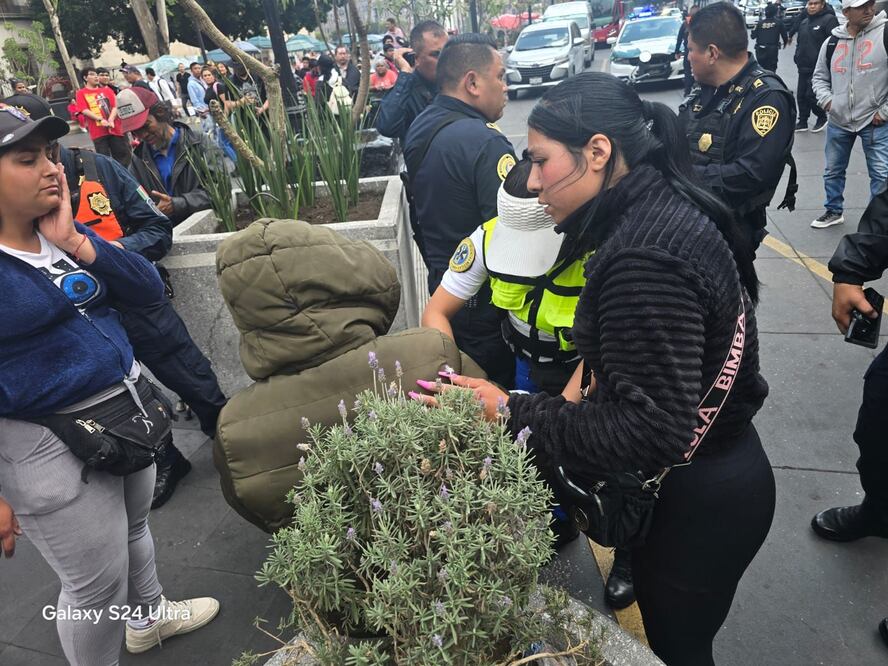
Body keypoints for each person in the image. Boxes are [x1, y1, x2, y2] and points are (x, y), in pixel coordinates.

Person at [413, 71, 775, 666]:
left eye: (540, 161)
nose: (531, 182)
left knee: (679, 648)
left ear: (599, 151)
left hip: (697, 499)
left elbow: (650, 432)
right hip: (719, 476)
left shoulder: (641, 259)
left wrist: (506, 410)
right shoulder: (662, 207)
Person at [0, 103, 220, 665]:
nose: (52, 169)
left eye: (50, 155)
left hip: (126, 415)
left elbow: (146, 288)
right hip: (48, 442)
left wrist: (77, 242)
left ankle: (147, 619)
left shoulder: (53, 234)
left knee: (134, 529)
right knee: (95, 590)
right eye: (28, 160)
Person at [421, 158, 636, 607]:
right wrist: (450, 380)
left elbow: (602, 351)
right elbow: (437, 311)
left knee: (612, 461)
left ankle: (629, 551)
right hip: (527, 364)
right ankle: (557, 518)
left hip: (591, 367)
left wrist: (561, 412)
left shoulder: (603, 249)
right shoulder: (487, 237)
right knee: (534, 455)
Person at [11, 90, 228, 508]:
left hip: (137, 301)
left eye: (42, 152)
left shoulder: (101, 169)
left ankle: (228, 438)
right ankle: (166, 459)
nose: (42, 165)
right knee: (134, 394)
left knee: (191, 377)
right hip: (86, 324)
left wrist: (107, 254)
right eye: (24, 157)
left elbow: (156, 229)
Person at [404, 32, 516, 388]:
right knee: (494, 403)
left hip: (443, 288)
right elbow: (509, 233)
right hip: (485, 306)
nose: (505, 86)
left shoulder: (422, 124)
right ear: (472, 82)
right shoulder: (487, 143)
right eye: (500, 76)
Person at [680, 1, 796, 251]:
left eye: (690, 49)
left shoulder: (766, 99)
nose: (687, 57)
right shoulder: (706, 89)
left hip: (731, 236)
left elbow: (751, 174)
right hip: (693, 222)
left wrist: (681, 176)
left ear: (712, 53)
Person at [811, 0, 888, 229]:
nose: (868, 9)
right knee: (833, 170)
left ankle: (878, 224)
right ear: (846, 12)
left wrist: (883, 112)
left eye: (870, 4)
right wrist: (828, 102)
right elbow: (819, 77)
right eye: (861, 6)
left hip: (874, 121)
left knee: (881, 176)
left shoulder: (884, 34)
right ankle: (833, 211)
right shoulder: (832, 42)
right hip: (839, 120)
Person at [118, 87, 219, 227]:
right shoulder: (139, 159)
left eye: (146, 126)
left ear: (160, 114)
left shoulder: (199, 143)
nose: (142, 135)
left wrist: (177, 204)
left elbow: (219, 189)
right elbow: (133, 201)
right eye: (135, 132)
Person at [376, 20, 449, 144]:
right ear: (416, 58)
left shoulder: (456, 83)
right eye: (436, 54)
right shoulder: (406, 90)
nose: (445, 60)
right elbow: (387, 127)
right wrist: (405, 73)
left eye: (447, 53)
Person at [790, 0, 838, 133]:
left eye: (815, 4)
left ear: (822, 5)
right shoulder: (804, 22)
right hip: (802, 66)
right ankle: (803, 121)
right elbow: (800, 42)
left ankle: (821, 117)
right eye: (810, 4)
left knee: (812, 95)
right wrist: (797, 56)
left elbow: (834, 43)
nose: (811, 7)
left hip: (818, 68)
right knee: (801, 96)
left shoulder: (829, 20)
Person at [74, 66, 132, 167]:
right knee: (104, 160)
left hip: (114, 129)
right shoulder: (81, 93)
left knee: (123, 156)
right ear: (85, 78)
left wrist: (111, 119)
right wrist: (100, 119)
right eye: (92, 74)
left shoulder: (107, 90)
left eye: (96, 75)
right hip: (98, 132)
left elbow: (115, 106)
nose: (96, 77)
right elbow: (84, 109)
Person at [751, 3, 789, 72]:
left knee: (761, 69)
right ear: (775, 12)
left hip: (760, 50)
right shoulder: (779, 23)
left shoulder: (759, 23)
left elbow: (752, 36)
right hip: (772, 51)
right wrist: (785, 43)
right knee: (771, 70)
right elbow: (785, 35)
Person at [675, 5, 699, 97]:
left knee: (687, 72)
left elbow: (679, 39)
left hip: (688, 52)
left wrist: (677, 51)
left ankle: (687, 91)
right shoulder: (703, 23)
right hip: (701, 51)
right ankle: (698, 87)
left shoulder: (686, 24)